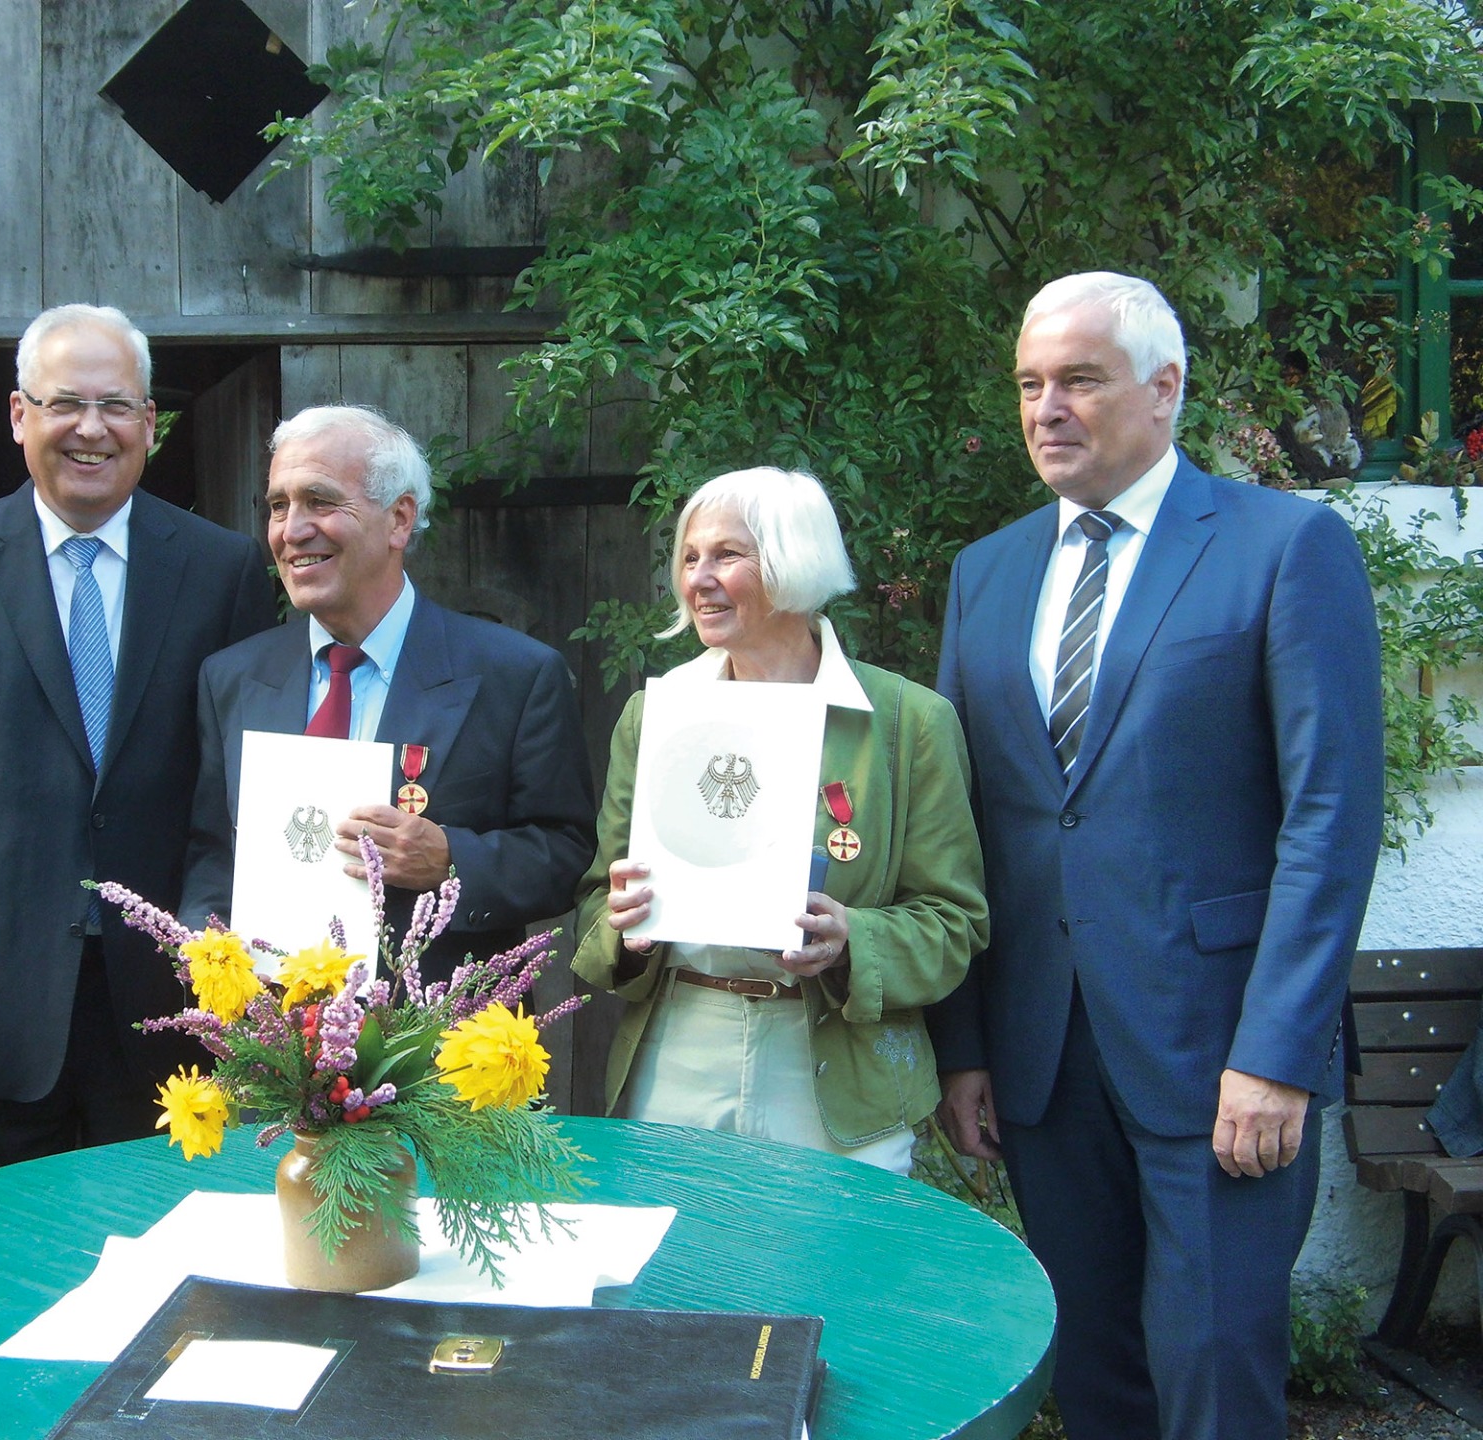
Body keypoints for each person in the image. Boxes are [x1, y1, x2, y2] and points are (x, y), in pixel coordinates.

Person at [929, 272, 1384, 1439]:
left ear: (1166, 389)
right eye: (1031, 384)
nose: (1048, 409)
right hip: (1043, 1053)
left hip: (1220, 1056)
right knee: (1095, 1379)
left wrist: (1277, 1053)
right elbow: (963, 827)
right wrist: (967, 1045)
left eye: (1080, 379)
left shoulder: (1287, 547)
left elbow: (1330, 814)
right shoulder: (988, 573)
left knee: (1216, 1375)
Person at [0, 303, 274, 1183]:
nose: (93, 429)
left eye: (118, 406)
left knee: (174, 1264)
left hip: (169, 1009)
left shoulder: (223, 568)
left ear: (151, 426)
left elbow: (236, 799)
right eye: (65, 404)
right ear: (19, 416)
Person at [568, 467, 987, 1174]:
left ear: (796, 561)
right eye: (690, 557)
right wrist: (625, 927)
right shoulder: (657, 713)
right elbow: (590, 902)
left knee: (827, 1282)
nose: (698, 577)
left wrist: (856, 939)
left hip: (834, 1073)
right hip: (678, 1061)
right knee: (674, 1283)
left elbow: (957, 921)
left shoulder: (909, 722)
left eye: (726, 555)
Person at [180, 404, 597, 985]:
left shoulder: (517, 675)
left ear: (400, 519)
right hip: (268, 1046)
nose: (291, 530)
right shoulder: (230, 677)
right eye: (279, 505)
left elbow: (566, 854)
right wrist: (209, 953)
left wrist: (451, 860)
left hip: (439, 1054)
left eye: (320, 501)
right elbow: (210, 854)